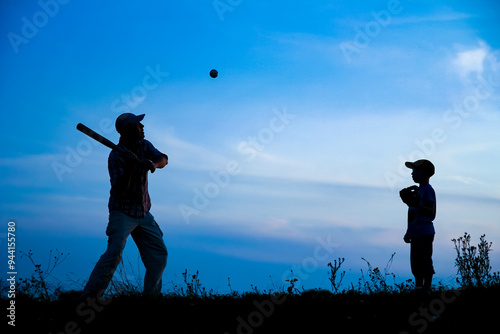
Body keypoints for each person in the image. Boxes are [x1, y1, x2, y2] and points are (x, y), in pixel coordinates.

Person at [82, 113, 169, 298]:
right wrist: (133, 167)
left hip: (144, 212)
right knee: (114, 254)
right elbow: (120, 189)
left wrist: (152, 164)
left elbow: (164, 158)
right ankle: (90, 297)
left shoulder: (144, 145)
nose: (143, 128)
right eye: (139, 125)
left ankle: (151, 298)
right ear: (129, 130)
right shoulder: (116, 156)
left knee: (158, 254)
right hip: (122, 212)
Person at [400, 159, 436, 292]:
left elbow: (430, 211)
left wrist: (416, 203)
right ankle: (419, 287)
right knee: (415, 262)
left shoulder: (427, 190)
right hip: (416, 232)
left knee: (425, 260)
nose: (412, 173)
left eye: (415, 170)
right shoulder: (419, 190)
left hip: (425, 232)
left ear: (425, 173)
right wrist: (408, 232)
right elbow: (413, 215)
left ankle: (426, 288)